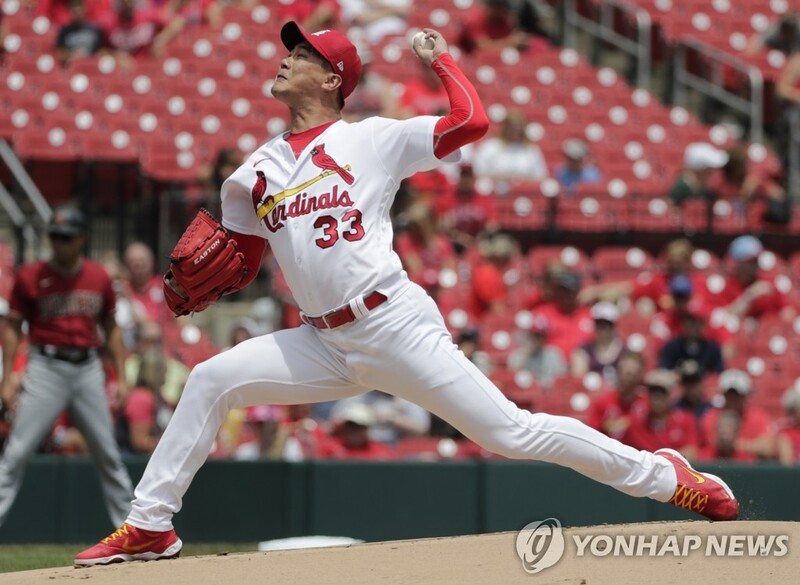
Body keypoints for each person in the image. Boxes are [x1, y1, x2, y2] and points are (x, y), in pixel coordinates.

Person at [76, 23, 738, 567]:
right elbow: (241, 263)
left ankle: (667, 475)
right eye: (290, 49)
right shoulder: (251, 173)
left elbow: (470, 122)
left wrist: (442, 60)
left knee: (511, 431)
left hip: (393, 323)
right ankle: (151, 524)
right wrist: (195, 281)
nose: (286, 58)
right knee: (210, 378)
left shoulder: (371, 136)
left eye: (302, 53)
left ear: (334, 79)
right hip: (322, 340)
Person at [0, 207, 134, 530]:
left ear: (82, 239)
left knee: (109, 455)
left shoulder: (98, 277)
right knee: (16, 454)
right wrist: (8, 379)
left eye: (67, 238)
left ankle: (135, 530)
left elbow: (112, 328)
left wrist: (123, 376)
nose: (60, 244)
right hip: (45, 367)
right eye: (55, 237)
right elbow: (12, 329)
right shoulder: (30, 276)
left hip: (87, 367)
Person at [698, 235, 790, 321]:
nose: (754, 266)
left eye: (756, 261)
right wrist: (750, 295)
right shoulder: (725, 287)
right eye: (750, 262)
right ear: (738, 263)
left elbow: (787, 313)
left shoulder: (768, 283)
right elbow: (723, 319)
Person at [699, 369, 776, 462]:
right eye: (729, 394)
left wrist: (735, 444)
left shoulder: (758, 417)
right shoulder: (710, 417)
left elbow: (768, 448)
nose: (733, 399)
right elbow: (702, 447)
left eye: (737, 395)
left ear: (745, 396)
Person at [622, 369, 698, 460]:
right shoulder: (636, 422)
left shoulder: (685, 419)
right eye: (653, 393)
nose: (656, 399)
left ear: (670, 396)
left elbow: (691, 452)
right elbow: (625, 452)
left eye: (662, 393)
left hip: (674, 471)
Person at [587, 350, 648, 442]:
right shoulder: (603, 402)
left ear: (639, 376)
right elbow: (591, 434)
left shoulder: (646, 403)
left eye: (631, 375)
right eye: (623, 372)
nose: (626, 378)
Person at [472, 109, 548, 182]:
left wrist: (520, 180)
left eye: (519, 127)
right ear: (505, 127)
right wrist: (505, 178)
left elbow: (541, 177)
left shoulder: (531, 149)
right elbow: (478, 173)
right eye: (513, 127)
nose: (516, 131)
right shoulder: (489, 147)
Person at [658, 299, 724, 374]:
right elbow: (663, 373)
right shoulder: (671, 347)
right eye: (689, 321)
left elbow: (718, 376)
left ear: (704, 324)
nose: (693, 326)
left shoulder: (712, 349)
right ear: (683, 323)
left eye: (697, 322)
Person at [507, 313, 566, 389]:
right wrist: (526, 354)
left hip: (546, 395)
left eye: (540, 336)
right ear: (528, 335)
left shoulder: (553, 354)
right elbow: (513, 379)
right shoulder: (517, 355)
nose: (537, 339)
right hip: (524, 395)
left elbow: (560, 380)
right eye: (534, 335)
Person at [571, 301, 625, 385]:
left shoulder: (624, 351)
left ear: (614, 326)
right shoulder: (584, 351)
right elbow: (578, 379)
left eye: (607, 324)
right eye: (599, 324)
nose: (603, 329)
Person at [55, 0, 106, 66]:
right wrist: (71, 55)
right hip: (72, 67)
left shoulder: (95, 30)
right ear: (69, 11)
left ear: (84, 9)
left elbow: (102, 51)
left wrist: (87, 56)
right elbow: (59, 53)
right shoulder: (64, 31)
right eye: (74, 11)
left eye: (79, 10)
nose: (77, 14)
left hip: (91, 66)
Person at [776, 385, 800, 465]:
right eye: (790, 410)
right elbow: (787, 465)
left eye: (794, 409)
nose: (792, 415)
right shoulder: (786, 434)